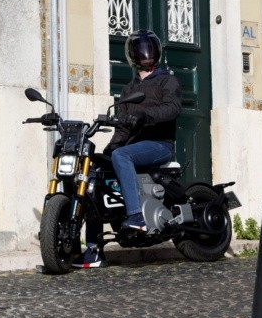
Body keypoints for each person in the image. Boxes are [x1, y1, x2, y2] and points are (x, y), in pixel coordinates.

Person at [73, 29, 182, 268]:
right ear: (133, 54)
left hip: (159, 145)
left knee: (122, 155)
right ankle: (93, 249)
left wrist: (145, 115)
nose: (146, 53)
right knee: (94, 174)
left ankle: (136, 216)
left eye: (150, 48)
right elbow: (122, 127)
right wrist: (109, 151)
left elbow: (172, 109)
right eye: (141, 49)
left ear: (157, 52)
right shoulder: (128, 89)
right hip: (133, 148)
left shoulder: (167, 80)